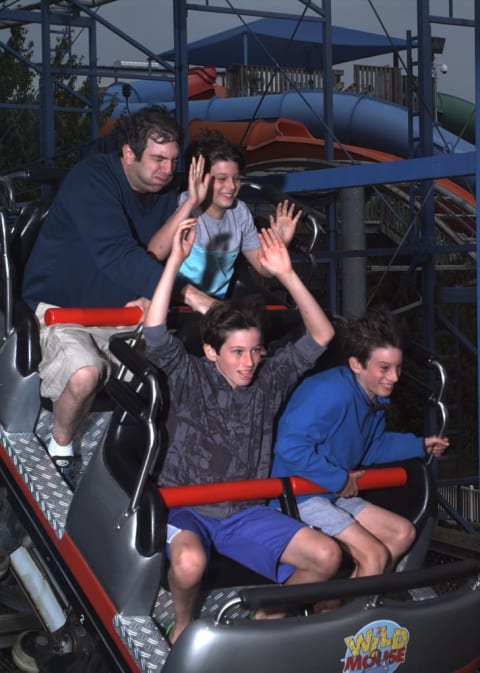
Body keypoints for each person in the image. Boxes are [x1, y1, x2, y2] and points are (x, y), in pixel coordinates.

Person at [143, 220, 340, 645]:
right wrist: (175, 262)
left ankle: (263, 622)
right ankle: (181, 624)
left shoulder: (268, 379)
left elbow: (323, 334)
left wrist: (287, 274)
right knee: (190, 563)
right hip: (187, 506)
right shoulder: (190, 375)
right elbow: (155, 335)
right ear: (212, 352)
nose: (249, 362)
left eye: (254, 350)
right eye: (236, 352)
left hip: (244, 511)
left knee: (326, 556)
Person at [21, 105, 215, 478]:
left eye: (173, 160)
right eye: (158, 159)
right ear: (128, 153)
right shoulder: (92, 180)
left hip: (121, 315)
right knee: (85, 373)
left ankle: (164, 456)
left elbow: (152, 255)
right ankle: (60, 451)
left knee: (185, 367)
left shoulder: (164, 194)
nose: (167, 169)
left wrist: (195, 201)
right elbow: (116, 255)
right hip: (62, 313)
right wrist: (190, 296)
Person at [271, 306, 450, 579]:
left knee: (402, 533)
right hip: (299, 494)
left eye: (398, 368)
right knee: (374, 554)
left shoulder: (372, 398)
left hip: (330, 490)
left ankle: (337, 609)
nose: (395, 377)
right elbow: (289, 447)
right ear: (356, 364)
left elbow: (372, 446)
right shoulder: (329, 393)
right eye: (384, 368)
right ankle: (346, 618)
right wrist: (339, 480)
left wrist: (419, 445)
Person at [147, 128, 301, 299]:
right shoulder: (184, 205)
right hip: (178, 302)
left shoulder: (240, 212)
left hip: (219, 304)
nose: (231, 186)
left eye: (236, 178)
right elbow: (155, 253)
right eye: (221, 179)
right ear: (199, 177)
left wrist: (280, 244)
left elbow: (264, 270)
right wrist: (192, 202)